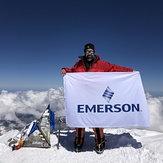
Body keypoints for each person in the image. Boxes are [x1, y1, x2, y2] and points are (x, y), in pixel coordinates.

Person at [60, 43, 133, 154]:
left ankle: (100, 141)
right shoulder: (79, 64)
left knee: (97, 119)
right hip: (82, 95)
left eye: (91, 51)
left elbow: (115, 69)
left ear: (94, 52)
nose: (89, 53)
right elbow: (73, 72)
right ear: (84, 52)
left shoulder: (102, 64)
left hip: (97, 96)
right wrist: (65, 70)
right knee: (80, 118)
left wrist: (130, 71)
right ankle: (79, 140)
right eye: (87, 51)